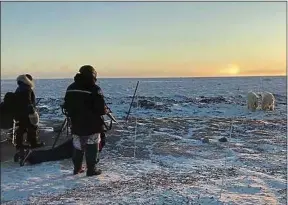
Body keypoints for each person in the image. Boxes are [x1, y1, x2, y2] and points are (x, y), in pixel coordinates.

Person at [63, 65, 109, 176]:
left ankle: (77, 168)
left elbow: (66, 105)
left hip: (76, 123)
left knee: (78, 146)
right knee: (93, 146)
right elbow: (101, 109)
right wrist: (105, 110)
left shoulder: (71, 87)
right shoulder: (95, 89)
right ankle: (91, 169)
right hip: (92, 124)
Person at [14, 74, 45, 154]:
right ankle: (33, 143)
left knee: (21, 128)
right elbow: (28, 101)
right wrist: (32, 112)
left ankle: (19, 144)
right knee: (32, 127)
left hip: (19, 112)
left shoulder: (19, 88)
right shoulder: (27, 89)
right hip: (26, 112)